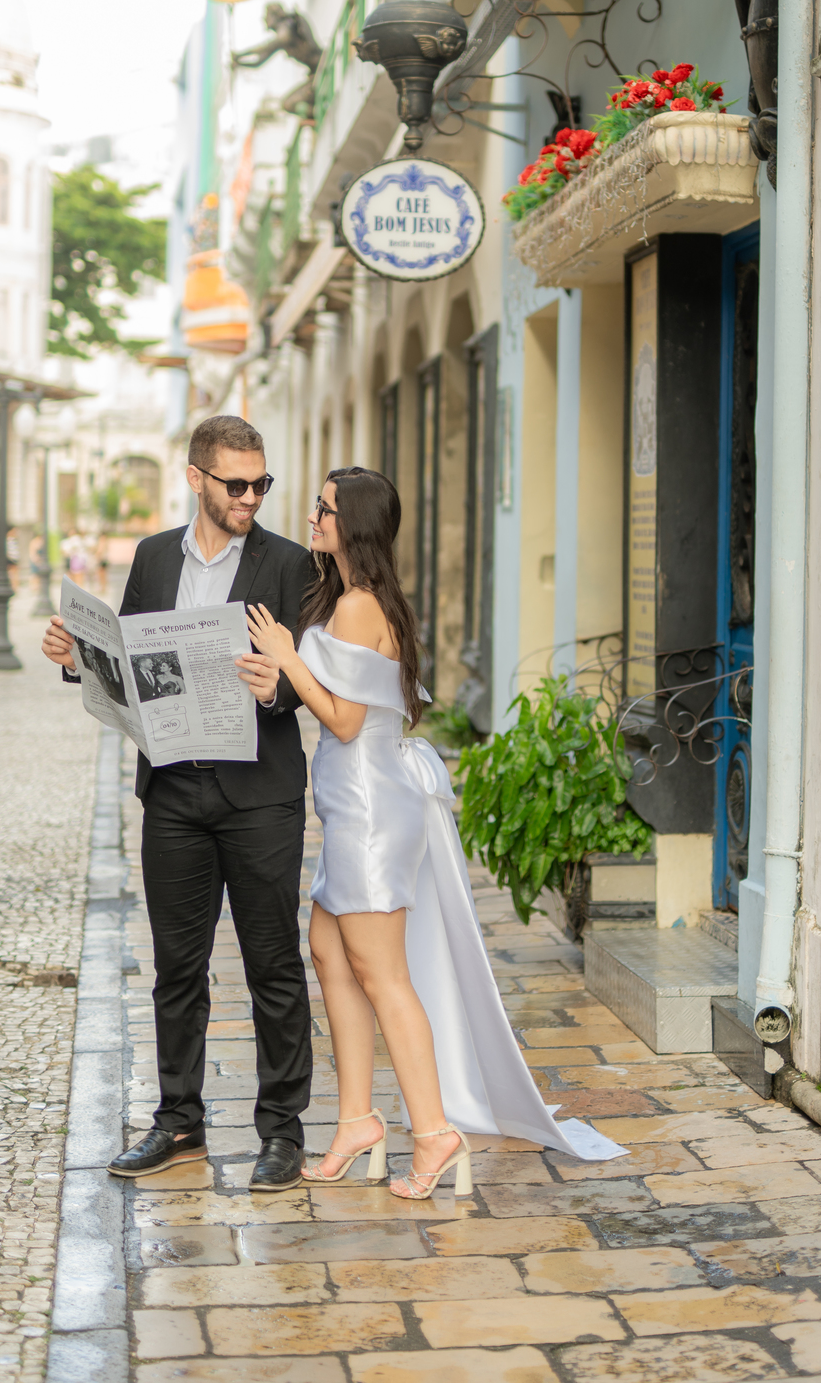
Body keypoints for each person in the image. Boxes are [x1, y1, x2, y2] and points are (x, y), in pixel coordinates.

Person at [244, 466, 579, 1200]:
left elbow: (344, 718)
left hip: (369, 810)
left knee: (381, 973)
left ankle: (433, 1134)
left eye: (326, 511)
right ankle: (359, 1120)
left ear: (354, 525)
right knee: (328, 949)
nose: (314, 518)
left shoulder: (362, 606)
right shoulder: (352, 598)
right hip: (353, 803)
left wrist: (287, 657)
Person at [41, 414, 315, 1191]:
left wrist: (282, 688)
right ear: (196, 478)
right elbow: (124, 662)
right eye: (237, 484)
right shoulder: (155, 555)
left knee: (273, 964)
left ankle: (282, 1131)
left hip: (260, 792)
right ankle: (179, 1121)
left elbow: (316, 675)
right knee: (177, 967)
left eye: (262, 483)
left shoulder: (289, 564)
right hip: (173, 790)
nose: (252, 497)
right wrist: (75, 662)